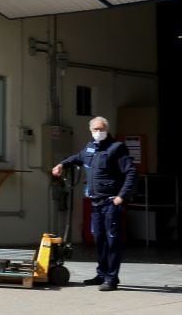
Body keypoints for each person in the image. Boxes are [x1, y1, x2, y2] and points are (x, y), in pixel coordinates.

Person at [51, 116, 136, 291]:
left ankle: (111, 279)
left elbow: (131, 172)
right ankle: (101, 274)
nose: (98, 132)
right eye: (95, 129)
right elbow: (77, 158)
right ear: (91, 131)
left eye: (101, 129)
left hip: (111, 202)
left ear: (107, 130)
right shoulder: (90, 147)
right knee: (99, 240)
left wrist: (122, 196)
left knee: (112, 241)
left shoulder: (116, 148)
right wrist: (61, 164)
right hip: (96, 203)